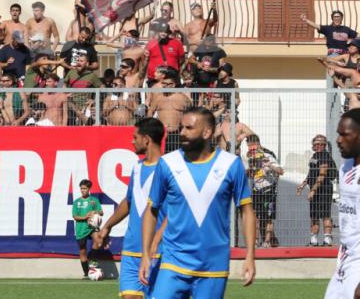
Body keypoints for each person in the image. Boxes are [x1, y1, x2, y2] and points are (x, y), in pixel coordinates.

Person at [140, 107, 256, 297]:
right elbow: (151, 210)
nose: (182, 132)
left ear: (207, 132)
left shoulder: (231, 164)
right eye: (181, 127)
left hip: (214, 265)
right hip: (173, 262)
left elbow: (247, 211)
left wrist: (250, 255)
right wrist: (145, 254)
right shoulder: (167, 163)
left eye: (188, 128)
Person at [92, 117, 166, 299]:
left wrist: (157, 239)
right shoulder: (137, 168)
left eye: (135, 137)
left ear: (146, 139)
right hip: (132, 250)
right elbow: (129, 201)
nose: (132, 141)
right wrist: (107, 226)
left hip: (159, 252)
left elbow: (176, 212)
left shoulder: (170, 169)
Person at [325, 108, 360, 298]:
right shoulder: (346, 167)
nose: (338, 140)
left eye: (345, 135)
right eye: (338, 134)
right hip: (344, 261)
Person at [242, 134, 283, 248]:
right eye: (249, 147)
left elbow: (281, 171)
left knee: (267, 217)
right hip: (256, 190)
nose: (251, 149)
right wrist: (250, 170)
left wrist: (269, 165)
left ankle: (267, 241)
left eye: (252, 146)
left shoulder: (268, 155)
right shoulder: (249, 157)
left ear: (258, 144)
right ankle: (255, 241)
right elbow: (248, 174)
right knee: (254, 217)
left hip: (268, 190)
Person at [297, 134, 337, 246]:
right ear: (313, 145)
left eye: (322, 144)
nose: (319, 146)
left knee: (325, 214)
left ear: (325, 145)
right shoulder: (315, 156)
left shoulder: (324, 156)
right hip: (315, 189)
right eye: (317, 144)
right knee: (314, 215)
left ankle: (327, 240)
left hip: (324, 190)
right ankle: (313, 240)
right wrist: (303, 185)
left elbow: (322, 175)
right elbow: (311, 174)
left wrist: (313, 190)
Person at [71, 178, 103, 279]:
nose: (82, 190)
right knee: (82, 251)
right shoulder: (77, 202)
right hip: (81, 229)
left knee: (98, 241)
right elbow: (75, 216)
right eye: (81, 188)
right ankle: (86, 273)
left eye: (84, 188)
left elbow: (101, 212)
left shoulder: (94, 200)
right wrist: (85, 217)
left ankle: (92, 258)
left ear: (89, 189)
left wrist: (94, 213)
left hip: (92, 227)